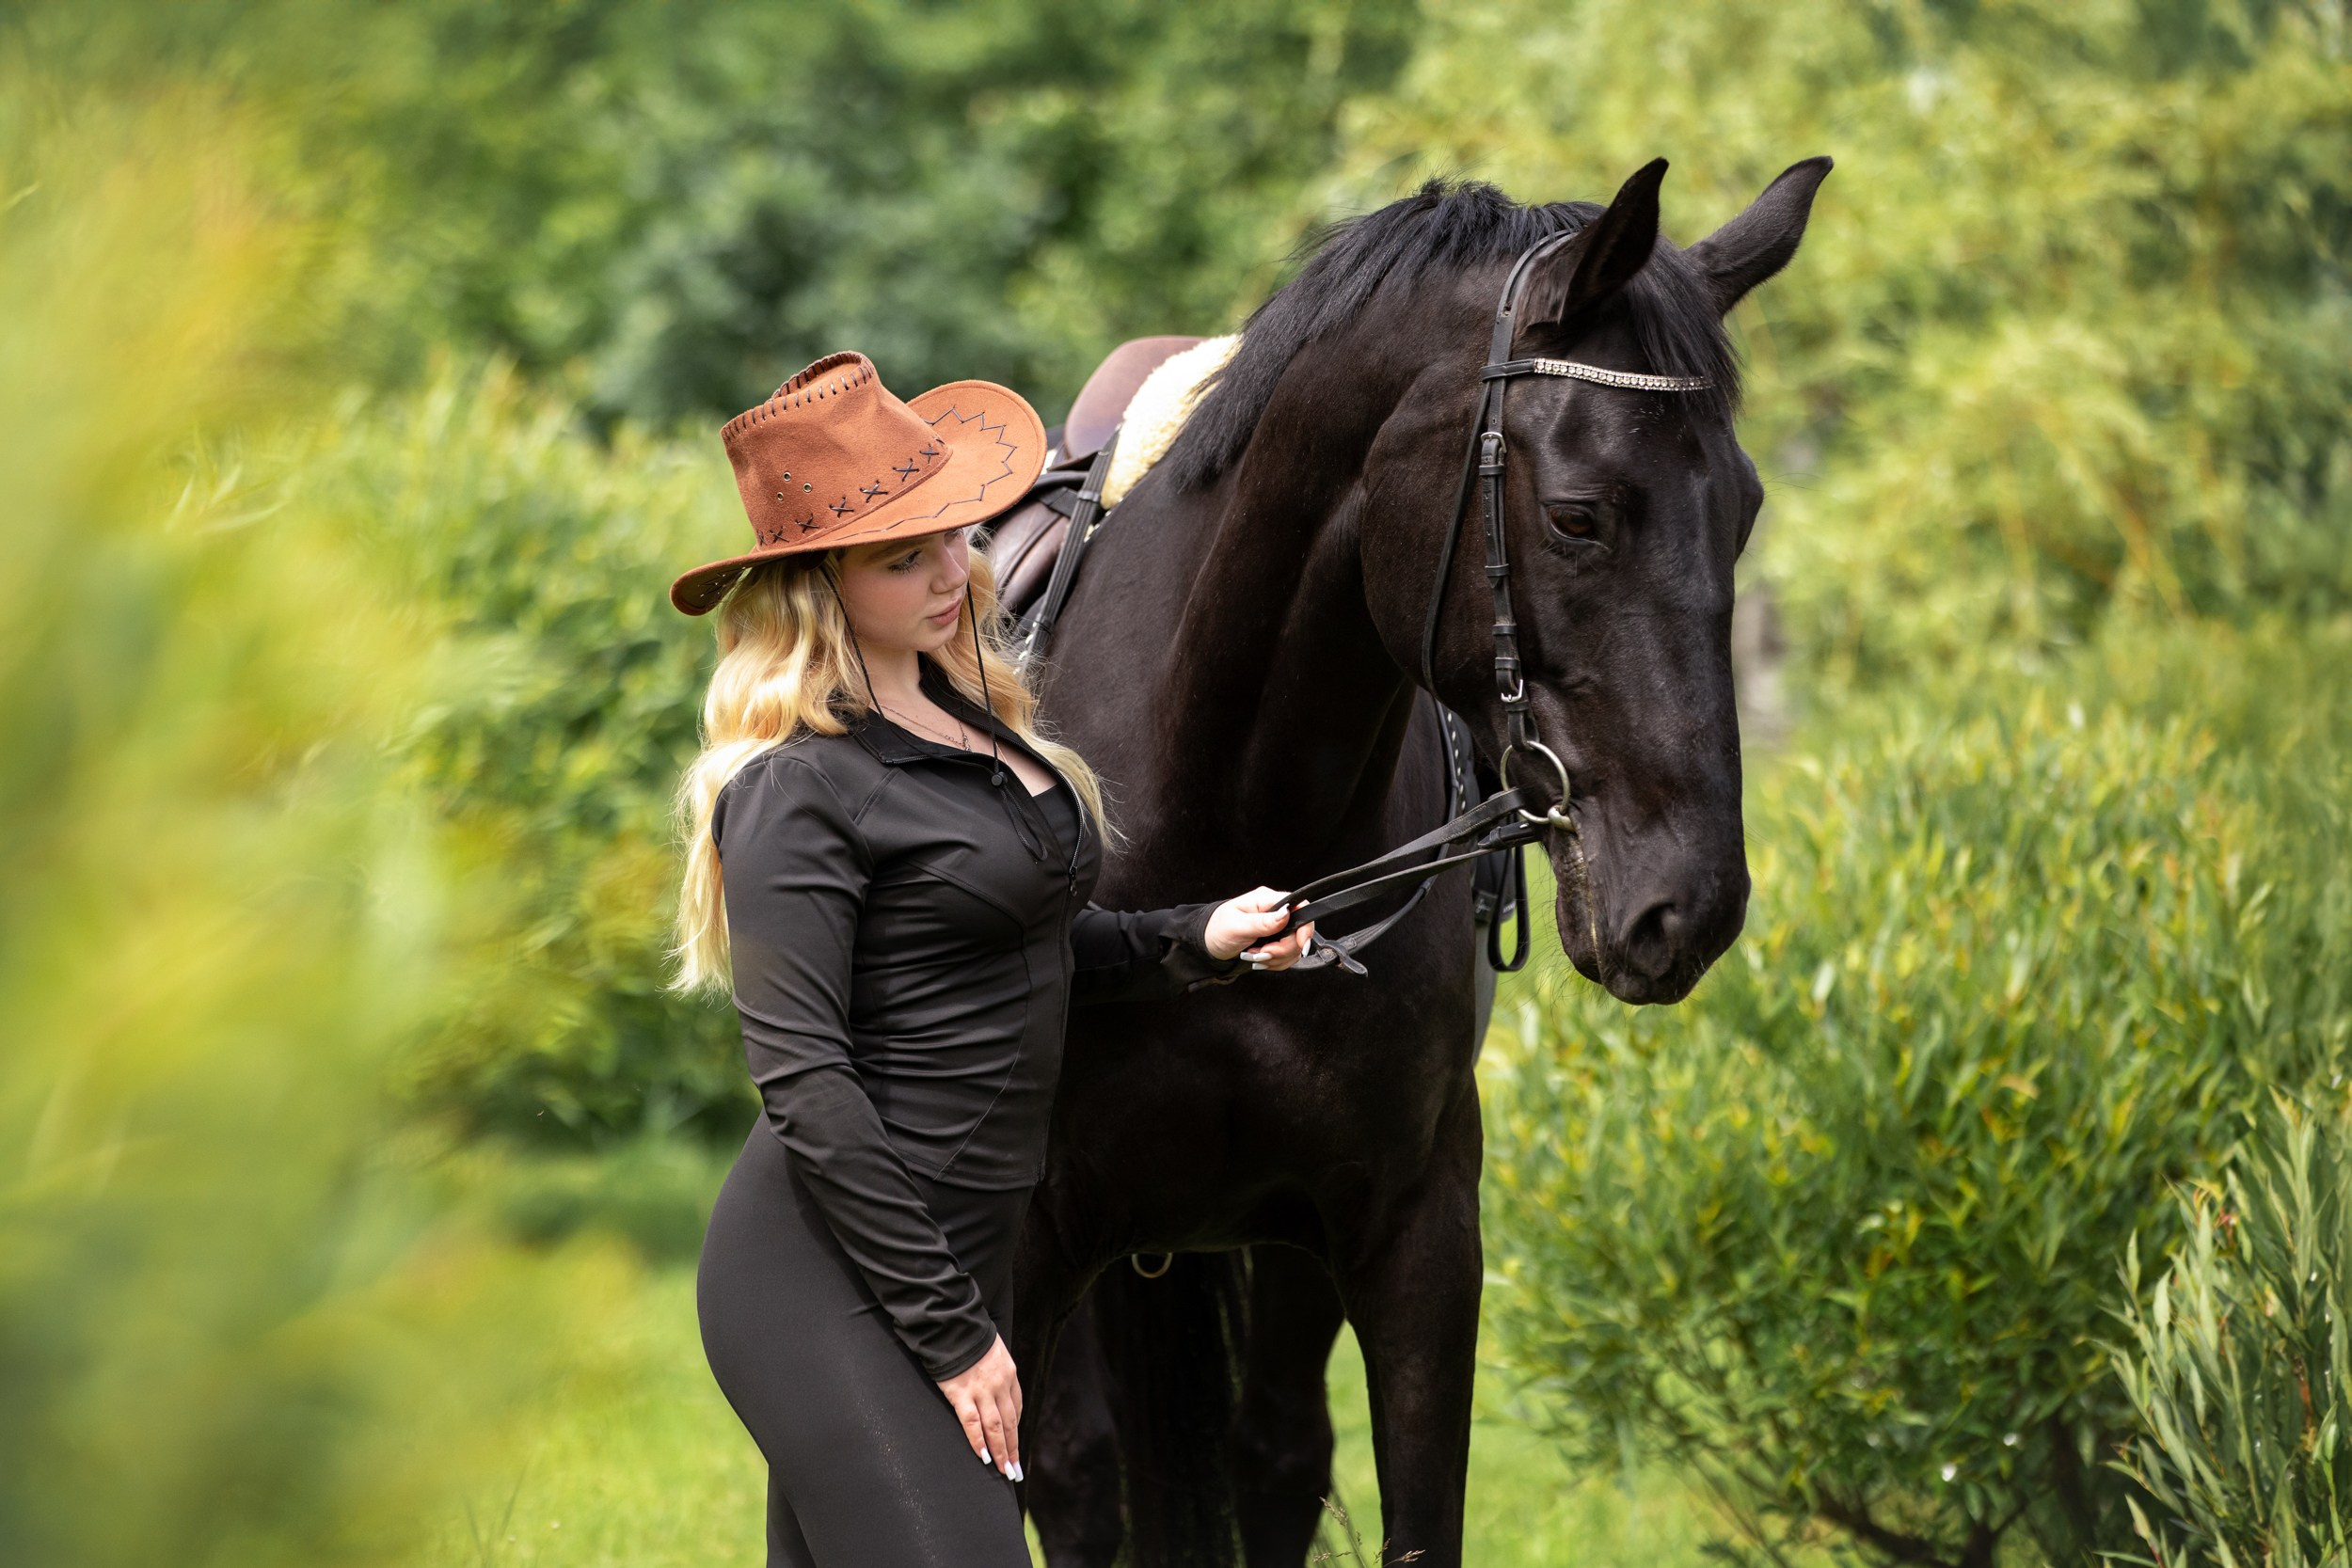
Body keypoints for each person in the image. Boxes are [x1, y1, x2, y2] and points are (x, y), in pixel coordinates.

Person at [669, 352, 1313, 1567]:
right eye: (902, 558)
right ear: (818, 587)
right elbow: (805, 1085)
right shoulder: (799, 787)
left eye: (956, 540)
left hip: (962, 1246)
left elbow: (1019, 946)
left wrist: (1199, 938)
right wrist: (956, 1337)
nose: (952, 575)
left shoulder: (969, 720)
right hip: (830, 1271)